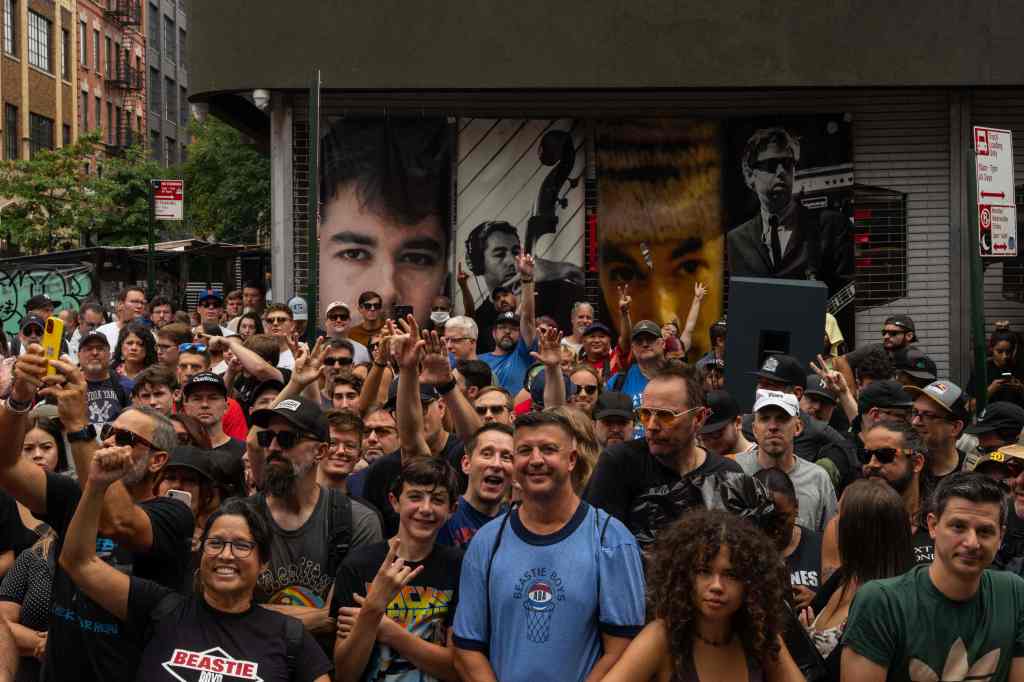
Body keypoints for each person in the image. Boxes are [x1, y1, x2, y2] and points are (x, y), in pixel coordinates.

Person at [0, 349, 193, 682]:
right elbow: (6, 466)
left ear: (158, 461)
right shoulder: (75, 496)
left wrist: (78, 424)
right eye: (108, 433)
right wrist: (19, 399)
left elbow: (115, 520)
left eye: (127, 438)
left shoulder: (174, 514)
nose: (109, 442)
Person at [59, 452, 333, 682]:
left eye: (241, 545)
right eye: (215, 543)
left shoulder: (289, 635)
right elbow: (79, 562)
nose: (226, 555)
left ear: (263, 563)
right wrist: (96, 486)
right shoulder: (159, 608)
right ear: (201, 554)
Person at [453, 410, 646, 682]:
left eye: (548, 449)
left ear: (571, 460)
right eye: (523, 450)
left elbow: (623, 651)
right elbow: (467, 647)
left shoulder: (612, 540)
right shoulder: (487, 541)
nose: (535, 460)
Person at [842, 472, 1024, 682]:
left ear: (1001, 537)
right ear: (932, 526)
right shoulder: (882, 602)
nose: (972, 542)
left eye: (985, 531)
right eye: (958, 527)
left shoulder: (1013, 593)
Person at [602, 509, 803, 682]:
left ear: (751, 582)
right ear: (683, 576)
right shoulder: (662, 637)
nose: (716, 586)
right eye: (703, 571)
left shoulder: (760, 635)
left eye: (730, 575)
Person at [249, 396, 382, 638]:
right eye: (267, 438)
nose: (274, 448)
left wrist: (252, 614)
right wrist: (320, 616)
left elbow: (347, 621)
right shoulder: (241, 517)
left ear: (321, 451)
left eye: (287, 439)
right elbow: (223, 608)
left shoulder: (357, 520)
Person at [332, 459, 463, 682]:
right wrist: (373, 608)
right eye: (415, 497)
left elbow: (458, 669)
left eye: (438, 500)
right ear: (395, 502)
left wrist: (386, 629)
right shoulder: (358, 565)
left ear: (452, 509)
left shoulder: (459, 567)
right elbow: (344, 675)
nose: (425, 508)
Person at [585, 365, 743, 548]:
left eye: (665, 416)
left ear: (699, 418)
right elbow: (594, 544)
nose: (651, 426)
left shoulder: (727, 476)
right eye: (645, 414)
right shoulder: (620, 462)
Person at [798, 480, 914, 681]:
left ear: (858, 531)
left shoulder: (882, 607)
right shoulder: (843, 575)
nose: (831, 522)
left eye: (838, 515)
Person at [727, 127, 852, 300]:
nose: (781, 172)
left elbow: (847, 292)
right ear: (750, 176)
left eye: (787, 164)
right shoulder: (737, 239)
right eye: (771, 165)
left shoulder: (832, 225)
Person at [736, 390, 838, 533]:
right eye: (765, 419)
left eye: (782, 418)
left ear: (798, 427)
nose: (772, 427)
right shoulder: (735, 471)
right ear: (754, 429)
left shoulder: (818, 479)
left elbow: (830, 539)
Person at [754, 467, 821, 609]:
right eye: (767, 520)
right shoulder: (742, 552)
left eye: (782, 518)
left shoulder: (820, 547)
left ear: (796, 507)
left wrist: (819, 600)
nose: (775, 528)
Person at [438, 423, 513, 548]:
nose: (496, 464)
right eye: (487, 454)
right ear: (466, 464)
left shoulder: (516, 526)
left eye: (506, 457)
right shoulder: (442, 516)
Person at [479, 254, 537, 395]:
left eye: (513, 328)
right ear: (493, 333)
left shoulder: (523, 354)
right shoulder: (479, 361)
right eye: (502, 327)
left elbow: (528, 319)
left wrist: (527, 279)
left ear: (521, 333)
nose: (507, 331)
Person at [907, 379, 969, 489]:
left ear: (955, 427)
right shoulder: (903, 466)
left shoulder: (972, 473)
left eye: (929, 415)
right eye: (914, 412)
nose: (915, 422)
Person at [605, 320, 668, 410]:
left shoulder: (679, 376)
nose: (645, 344)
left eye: (650, 339)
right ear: (633, 348)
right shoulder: (617, 382)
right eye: (639, 341)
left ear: (662, 343)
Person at [182, 372, 246, 459]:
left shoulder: (244, 452)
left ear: (226, 407)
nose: (205, 404)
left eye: (213, 398)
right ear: (186, 407)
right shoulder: (177, 450)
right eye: (197, 399)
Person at [78, 330, 132, 428]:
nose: (94, 353)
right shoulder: (70, 387)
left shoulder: (126, 386)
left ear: (109, 354)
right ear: (79, 355)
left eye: (100, 348)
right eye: (88, 349)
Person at [699, 389, 754, 458]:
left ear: (737, 423)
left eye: (717, 434)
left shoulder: (762, 458)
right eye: (705, 438)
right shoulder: (704, 462)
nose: (711, 442)